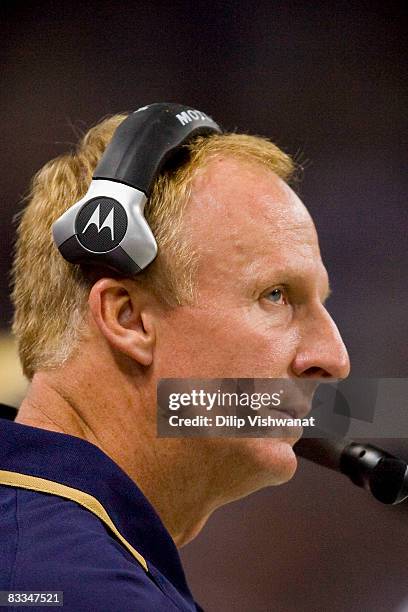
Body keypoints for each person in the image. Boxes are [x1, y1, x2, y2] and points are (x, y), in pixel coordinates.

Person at [0, 110, 350, 611]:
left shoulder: (43, 548)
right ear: (128, 319)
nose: (334, 359)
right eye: (276, 295)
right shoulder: (83, 591)